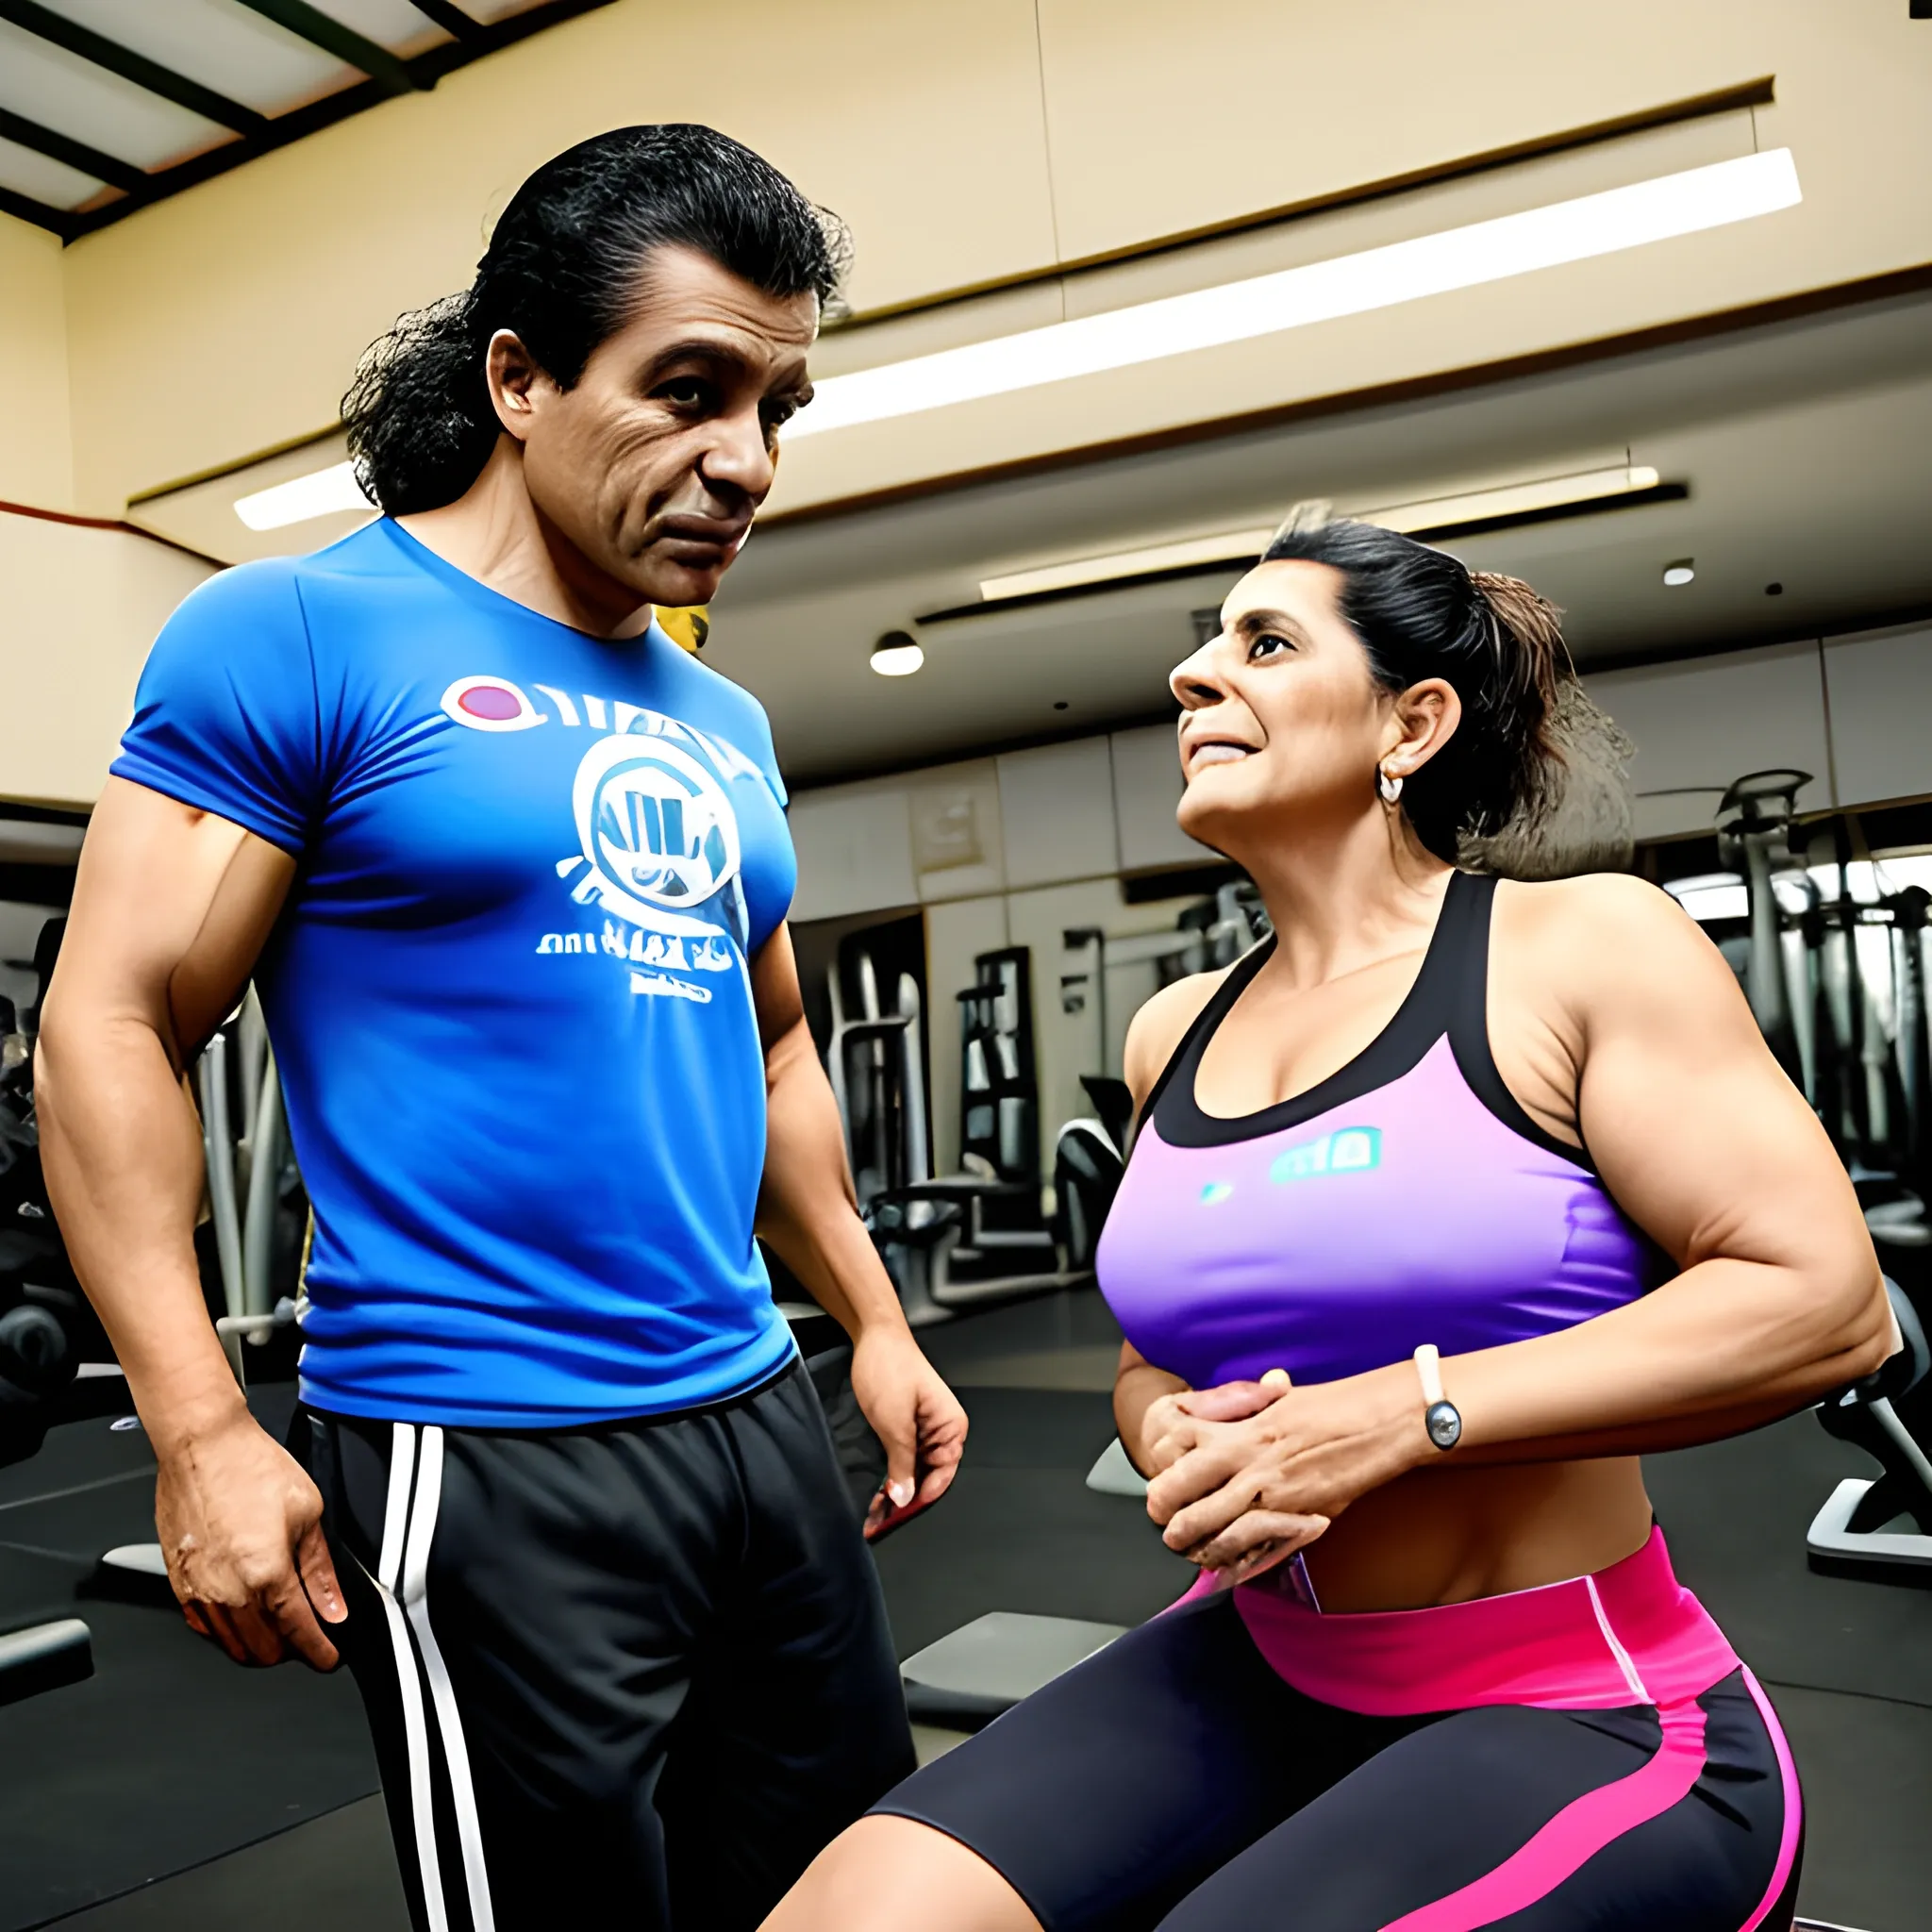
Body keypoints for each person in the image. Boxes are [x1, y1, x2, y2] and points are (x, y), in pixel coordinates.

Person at [37, 125, 966, 1932]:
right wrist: (200, 1427)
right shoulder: (300, 632)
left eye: (779, 407)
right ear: (519, 378)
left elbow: (767, 1047)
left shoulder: (725, 718)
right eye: (689, 390)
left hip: (757, 1416)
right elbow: (112, 1018)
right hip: (483, 1443)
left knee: (856, 1896)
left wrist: (869, 1313)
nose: (746, 462)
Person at [764, 511, 1891, 1932]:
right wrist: (1160, 1424)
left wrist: (1396, 1416)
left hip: (1582, 1703)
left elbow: (1820, 1299)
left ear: (1409, 723)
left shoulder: (1576, 947)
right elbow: (1155, 1355)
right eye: (1201, 644)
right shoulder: (1175, 1033)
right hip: (1258, 1659)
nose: (1192, 676)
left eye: (1265, 642)